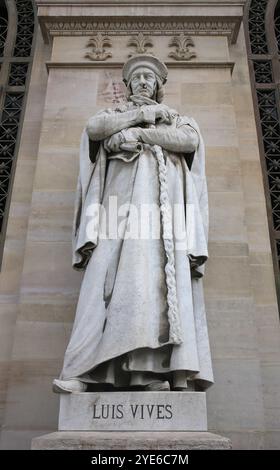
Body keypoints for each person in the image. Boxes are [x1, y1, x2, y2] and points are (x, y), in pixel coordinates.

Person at [53, 54, 214, 393]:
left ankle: (147, 374)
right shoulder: (114, 116)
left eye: (149, 78)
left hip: (162, 224)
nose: (143, 81)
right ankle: (82, 371)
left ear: (158, 87)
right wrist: (140, 117)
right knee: (103, 284)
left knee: (153, 287)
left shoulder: (175, 119)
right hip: (115, 216)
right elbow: (95, 130)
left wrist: (142, 136)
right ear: (127, 86)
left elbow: (189, 141)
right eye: (137, 77)